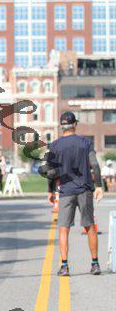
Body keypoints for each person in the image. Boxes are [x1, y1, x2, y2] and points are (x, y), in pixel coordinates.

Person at [47, 112, 103, 276]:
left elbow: (50, 172)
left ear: (61, 126)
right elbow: (95, 165)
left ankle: (64, 266)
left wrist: (50, 191)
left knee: (63, 229)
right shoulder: (85, 142)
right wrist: (99, 186)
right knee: (89, 226)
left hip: (65, 191)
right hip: (85, 189)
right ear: (75, 124)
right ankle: (95, 264)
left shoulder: (55, 145)